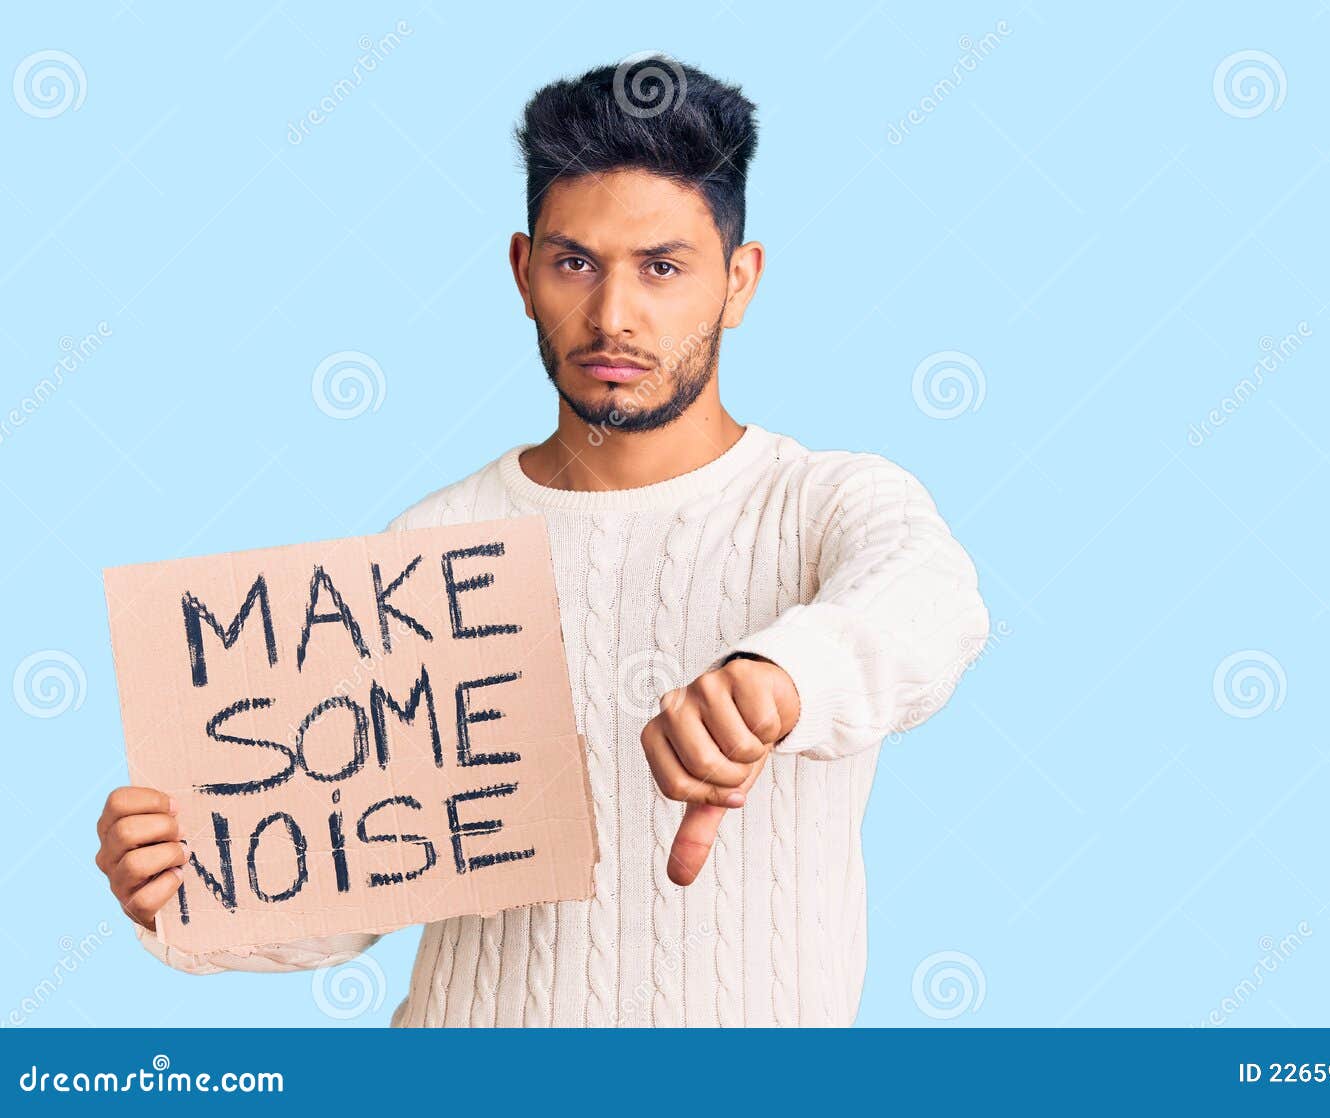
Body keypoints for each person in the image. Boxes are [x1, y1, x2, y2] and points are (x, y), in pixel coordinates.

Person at [94, 56, 990, 1027]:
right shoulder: (434, 546)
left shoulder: (828, 502)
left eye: (661, 266)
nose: (613, 315)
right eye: (575, 263)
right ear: (524, 273)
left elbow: (928, 603)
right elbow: (352, 890)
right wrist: (185, 878)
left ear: (739, 281)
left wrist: (781, 678)